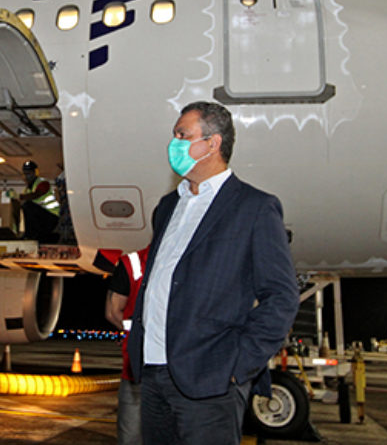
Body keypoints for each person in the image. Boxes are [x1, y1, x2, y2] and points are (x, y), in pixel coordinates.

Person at [127, 101, 299, 445]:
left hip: (211, 379)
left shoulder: (254, 207)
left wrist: (237, 366)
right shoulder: (168, 206)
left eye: (182, 135)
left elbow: (281, 296)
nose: (173, 144)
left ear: (213, 143)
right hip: (154, 372)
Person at [105, 246, 150, 445]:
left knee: (131, 436)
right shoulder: (133, 263)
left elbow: (112, 312)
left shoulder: (131, 263)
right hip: (149, 368)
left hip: (136, 366)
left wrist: (136, 336)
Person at [19, 160, 60, 242]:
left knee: (28, 205)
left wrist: (19, 197)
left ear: (35, 173)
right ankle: (32, 234)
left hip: (51, 216)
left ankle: (29, 234)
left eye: (29, 173)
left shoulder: (43, 183)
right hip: (41, 220)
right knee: (24, 207)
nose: (27, 176)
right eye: (25, 173)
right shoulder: (27, 190)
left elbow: (37, 194)